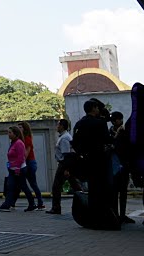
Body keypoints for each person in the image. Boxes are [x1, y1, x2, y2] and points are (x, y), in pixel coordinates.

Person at [72, 97, 119, 229]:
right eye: (97, 108)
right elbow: (107, 139)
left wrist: (84, 154)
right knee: (103, 189)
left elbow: (75, 143)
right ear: (94, 109)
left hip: (87, 160)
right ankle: (105, 218)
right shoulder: (99, 123)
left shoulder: (79, 124)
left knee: (92, 189)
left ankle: (93, 218)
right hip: (100, 160)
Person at [45, 118, 82, 214]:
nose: (57, 127)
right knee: (74, 185)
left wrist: (66, 168)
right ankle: (83, 199)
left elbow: (66, 154)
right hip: (65, 164)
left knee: (56, 186)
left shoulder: (65, 138)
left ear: (62, 126)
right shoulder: (63, 136)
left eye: (58, 125)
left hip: (64, 164)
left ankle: (56, 207)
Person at [0, 124, 29, 211]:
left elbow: (21, 157)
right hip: (12, 169)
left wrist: (17, 168)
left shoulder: (19, 143)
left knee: (23, 187)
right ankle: (6, 205)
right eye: (8, 132)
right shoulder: (13, 143)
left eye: (10, 132)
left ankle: (32, 203)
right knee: (10, 186)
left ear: (15, 134)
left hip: (19, 169)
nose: (8, 134)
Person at [109, 111, 135, 224]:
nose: (121, 121)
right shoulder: (113, 133)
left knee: (122, 191)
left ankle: (121, 215)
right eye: (119, 119)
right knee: (116, 192)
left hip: (122, 165)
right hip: (116, 166)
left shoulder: (124, 132)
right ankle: (117, 215)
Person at [17, 120, 46, 211]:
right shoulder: (21, 139)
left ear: (24, 129)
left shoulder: (27, 138)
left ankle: (39, 203)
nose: (18, 129)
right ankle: (37, 203)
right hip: (27, 162)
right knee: (28, 184)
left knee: (32, 184)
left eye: (20, 127)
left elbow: (26, 154)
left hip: (29, 162)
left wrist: (19, 163)